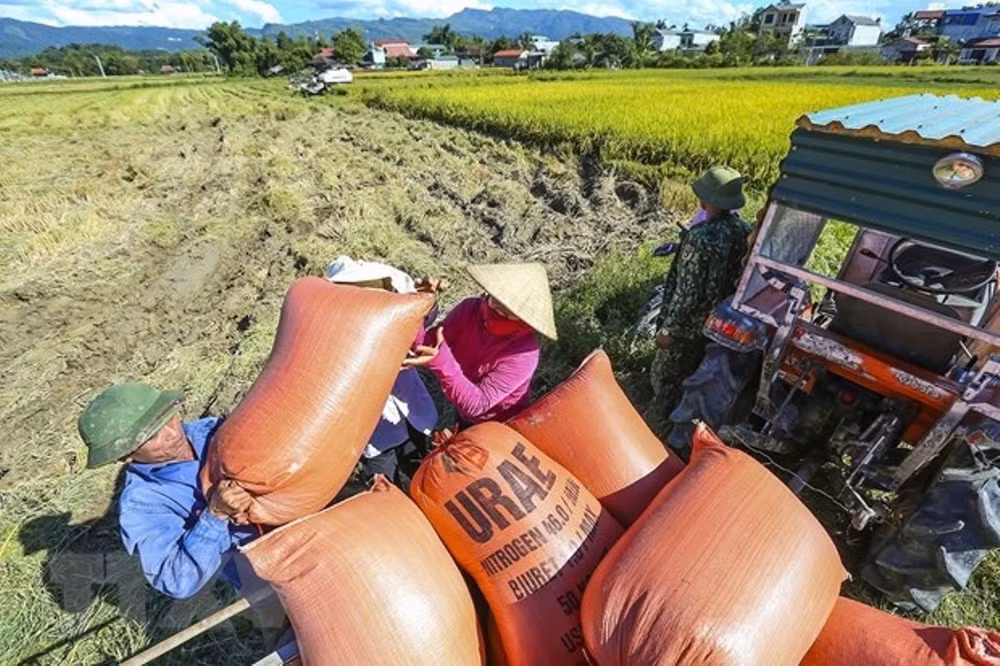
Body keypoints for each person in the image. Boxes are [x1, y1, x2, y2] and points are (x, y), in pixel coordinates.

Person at [77, 383, 257, 599]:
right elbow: (176, 580)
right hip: (267, 576)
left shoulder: (214, 430)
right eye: (152, 436)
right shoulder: (142, 504)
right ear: (125, 456)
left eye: (168, 417)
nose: (172, 433)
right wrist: (215, 516)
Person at [324, 256, 440, 494]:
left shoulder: (391, 318)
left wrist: (428, 299)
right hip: (376, 438)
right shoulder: (329, 339)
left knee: (430, 471)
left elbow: (422, 321)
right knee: (388, 492)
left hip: (415, 415)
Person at [650, 165, 753, 414]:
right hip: (720, 322)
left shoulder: (700, 237)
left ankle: (656, 423)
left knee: (664, 380)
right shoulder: (745, 232)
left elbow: (688, 291)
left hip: (689, 327)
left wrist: (669, 329)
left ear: (706, 199)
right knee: (697, 373)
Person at [404, 262, 557, 425]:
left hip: (498, 423)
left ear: (526, 320)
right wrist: (422, 305)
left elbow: (477, 404)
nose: (498, 310)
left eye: (509, 312)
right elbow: (427, 345)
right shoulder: (470, 310)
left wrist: (441, 359)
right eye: (496, 300)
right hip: (462, 400)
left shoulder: (524, 354)